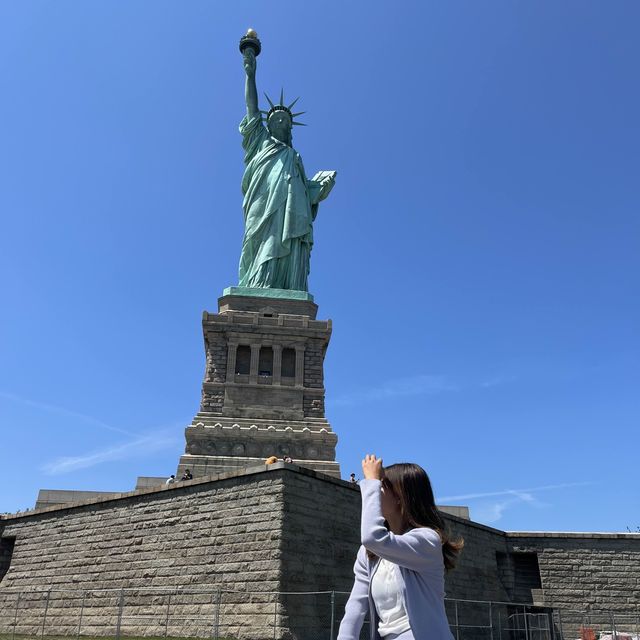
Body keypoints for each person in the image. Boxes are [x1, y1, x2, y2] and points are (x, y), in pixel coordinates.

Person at [238, 47, 336, 291]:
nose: (281, 122)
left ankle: (288, 288)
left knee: (291, 244)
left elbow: (305, 189)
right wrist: (250, 75)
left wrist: (319, 188)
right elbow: (252, 110)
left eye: (286, 121)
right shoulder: (260, 142)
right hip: (264, 205)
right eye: (276, 119)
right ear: (268, 125)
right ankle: (258, 285)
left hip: (293, 211)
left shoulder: (295, 156)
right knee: (259, 242)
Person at [337, 454, 464, 640]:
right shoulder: (369, 553)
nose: (376, 490)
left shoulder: (427, 540)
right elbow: (355, 607)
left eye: (382, 486)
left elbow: (372, 537)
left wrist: (370, 481)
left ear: (400, 497)